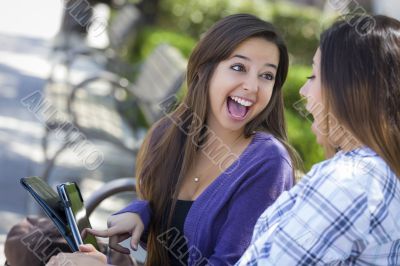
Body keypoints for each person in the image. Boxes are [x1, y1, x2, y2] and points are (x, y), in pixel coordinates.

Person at [47, 13, 300, 266]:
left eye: (267, 76)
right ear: (204, 70)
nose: (252, 86)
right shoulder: (169, 135)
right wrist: (141, 213)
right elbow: (158, 220)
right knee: (30, 238)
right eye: (238, 67)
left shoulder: (267, 164)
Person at [235, 14, 400, 265]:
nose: (303, 91)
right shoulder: (378, 171)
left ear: (352, 90)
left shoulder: (348, 181)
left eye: (313, 76)